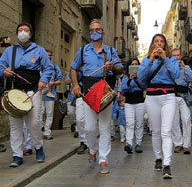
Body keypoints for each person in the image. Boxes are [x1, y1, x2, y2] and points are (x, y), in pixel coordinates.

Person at [70, 19, 123, 174]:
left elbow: (120, 69)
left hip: (105, 90)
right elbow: (73, 69)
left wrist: (112, 67)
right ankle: (92, 150)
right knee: (89, 128)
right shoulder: (82, 51)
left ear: (103, 32)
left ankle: (104, 160)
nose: (94, 32)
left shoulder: (111, 51)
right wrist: (75, 85)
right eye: (92, 30)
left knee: (105, 127)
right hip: (89, 91)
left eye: (98, 30)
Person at [0, 22, 52, 167]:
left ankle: (38, 147)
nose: (23, 32)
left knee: (34, 122)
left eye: (26, 30)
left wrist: (43, 80)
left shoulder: (39, 50)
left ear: (31, 33)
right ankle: (17, 155)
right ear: (17, 33)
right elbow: (0, 66)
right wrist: (4, 72)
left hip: (33, 90)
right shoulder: (10, 51)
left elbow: (48, 68)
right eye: (20, 30)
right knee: (15, 124)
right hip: (14, 90)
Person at [138, 33, 179, 179]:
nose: (159, 44)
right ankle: (158, 158)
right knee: (155, 131)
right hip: (152, 98)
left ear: (165, 45)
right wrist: (150, 59)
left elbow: (176, 75)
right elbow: (141, 77)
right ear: (152, 44)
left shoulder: (172, 60)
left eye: (162, 42)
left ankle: (167, 165)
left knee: (166, 131)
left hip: (168, 97)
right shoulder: (146, 60)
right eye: (156, 41)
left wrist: (165, 59)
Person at [171, 48, 192, 154]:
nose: (177, 57)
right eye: (174, 55)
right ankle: (178, 143)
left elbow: (191, 78)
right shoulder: (169, 67)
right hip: (173, 95)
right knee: (174, 121)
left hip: (184, 95)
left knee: (186, 119)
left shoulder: (186, 67)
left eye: (178, 55)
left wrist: (184, 67)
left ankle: (186, 144)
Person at [121, 58, 145, 154]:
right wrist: (130, 80)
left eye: (136, 64)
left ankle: (138, 143)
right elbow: (123, 89)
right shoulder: (125, 77)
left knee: (139, 123)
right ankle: (129, 144)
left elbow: (144, 86)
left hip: (140, 101)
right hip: (129, 102)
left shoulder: (142, 76)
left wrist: (137, 79)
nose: (134, 66)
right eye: (132, 64)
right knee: (130, 123)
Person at [40, 50, 62, 140]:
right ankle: (40, 130)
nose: (48, 57)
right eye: (47, 55)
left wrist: (52, 84)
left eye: (50, 56)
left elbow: (59, 81)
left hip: (50, 95)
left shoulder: (55, 68)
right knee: (39, 113)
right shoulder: (38, 67)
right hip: (39, 94)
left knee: (49, 114)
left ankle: (47, 132)